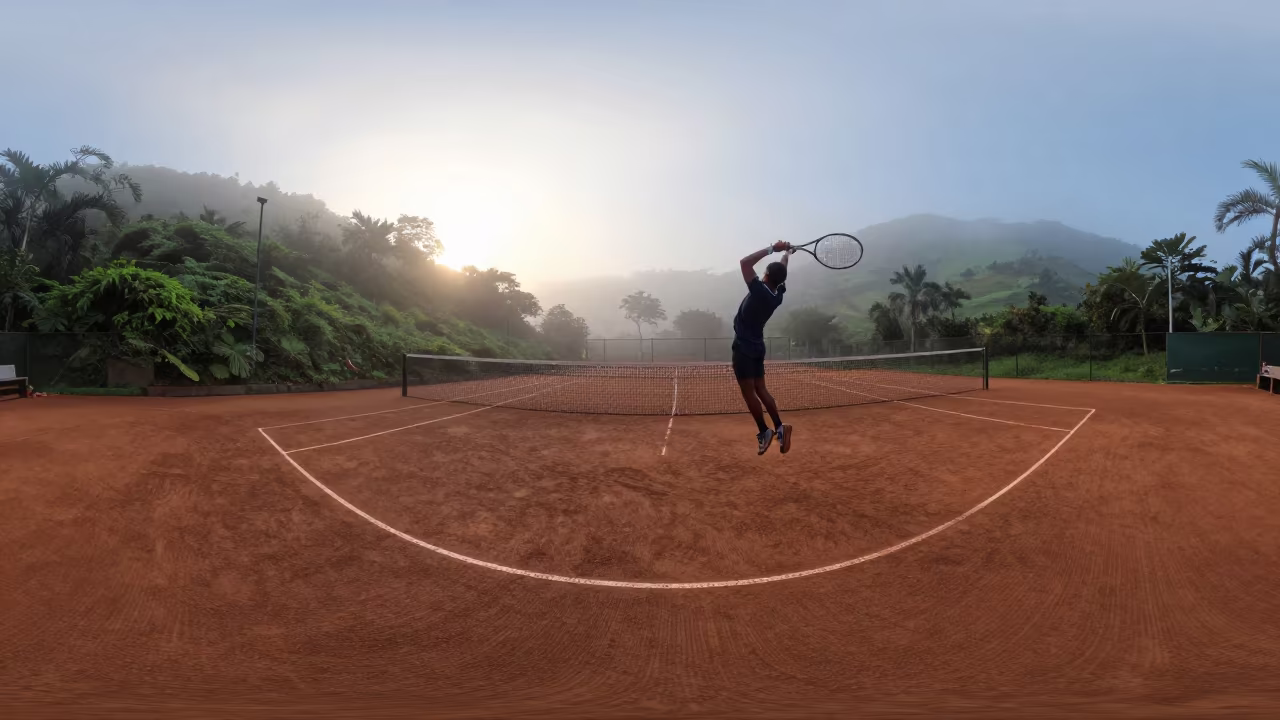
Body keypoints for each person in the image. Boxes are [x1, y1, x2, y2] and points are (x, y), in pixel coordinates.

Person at [732, 240, 793, 455]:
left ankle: (764, 431)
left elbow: (745, 263)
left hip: (744, 348)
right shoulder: (778, 295)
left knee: (749, 393)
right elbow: (781, 271)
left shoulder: (759, 291)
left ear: (766, 275)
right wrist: (787, 254)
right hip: (758, 347)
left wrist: (772, 250)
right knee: (761, 389)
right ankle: (779, 427)